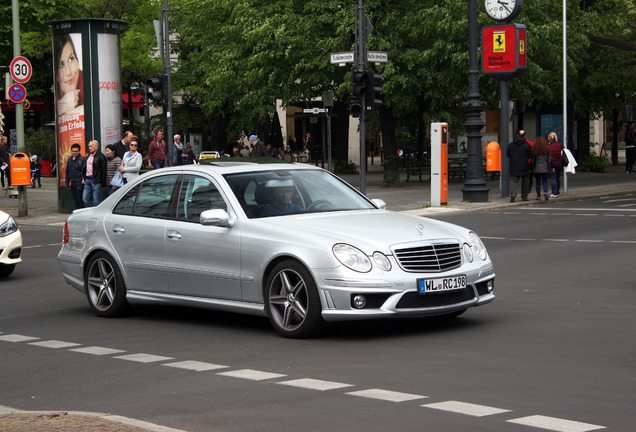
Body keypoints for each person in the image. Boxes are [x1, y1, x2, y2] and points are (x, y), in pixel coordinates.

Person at [55, 34, 84, 116]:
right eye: (61, 65)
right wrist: (62, 106)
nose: (68, 72)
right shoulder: (54, 92)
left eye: (71, 58)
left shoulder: (88, 82)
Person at [507, 130, 534, 202]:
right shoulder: (527, 145)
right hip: (524, 165)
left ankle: (513, 194)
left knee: (514, 180)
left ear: (517, 136)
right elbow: (531, 155)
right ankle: (524, 196)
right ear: (525, 137)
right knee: (525, 181)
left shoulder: (511, 145)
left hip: (514, 165)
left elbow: (508, 154)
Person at [82, 139, 107, 207]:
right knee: (85, 198)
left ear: (96, 147)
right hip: (88, 179)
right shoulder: (88, 156)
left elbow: (104, 171)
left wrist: (103, 183)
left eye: (91, 146)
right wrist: (84, 177)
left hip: (96, 180)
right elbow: (85, 167)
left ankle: (97, 213)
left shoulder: (101, 156)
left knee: (96, 200)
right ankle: (92, 210)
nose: (89, 148)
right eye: (89, 146)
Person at [65, 143, 85, 209]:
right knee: (75, 200)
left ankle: (81, 213)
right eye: (73, 151)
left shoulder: (82, 159)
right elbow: (67, 171)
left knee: (79, 199)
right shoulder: (69, 159)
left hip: (80, 182)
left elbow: (84, 171)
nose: (74, 152)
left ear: (79, 151)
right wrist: (67, 183)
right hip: (73, 183)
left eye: (76, 151)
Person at [532, 136, 552, 201]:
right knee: (545, 181)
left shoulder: (535, 149)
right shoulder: (547, 149)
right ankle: (545, 192)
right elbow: (549, 159)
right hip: (545, 167)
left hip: (537, 168)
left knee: (538, 182)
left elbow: (533, 160)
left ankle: (538, 196)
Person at [547, 132, 564, 198]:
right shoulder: (560, 145)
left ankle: (554, 192)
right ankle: (557, 191)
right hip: (559, 163)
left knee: (553, 178)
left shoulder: (549, 146)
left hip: (552, 163)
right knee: (557, 177)